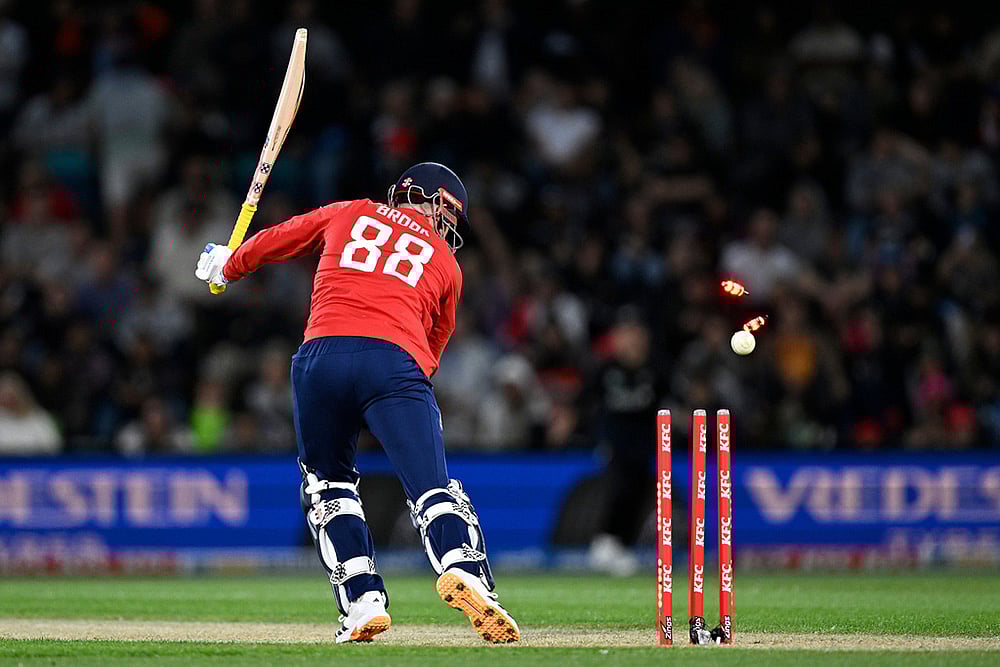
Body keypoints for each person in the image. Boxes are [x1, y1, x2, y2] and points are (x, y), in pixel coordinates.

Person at [195, 163, 519, 644]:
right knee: (433, 489)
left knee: (329, 489)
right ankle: (463, 569)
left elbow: (285, 236)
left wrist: (230, 263)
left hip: (319, 358)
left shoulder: (350, 211)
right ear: (426, 198)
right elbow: (436, 343)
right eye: (448, 213)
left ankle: (363, 601)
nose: (449, 227)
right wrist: (402, 390)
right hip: (394, 361)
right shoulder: (447, 265)